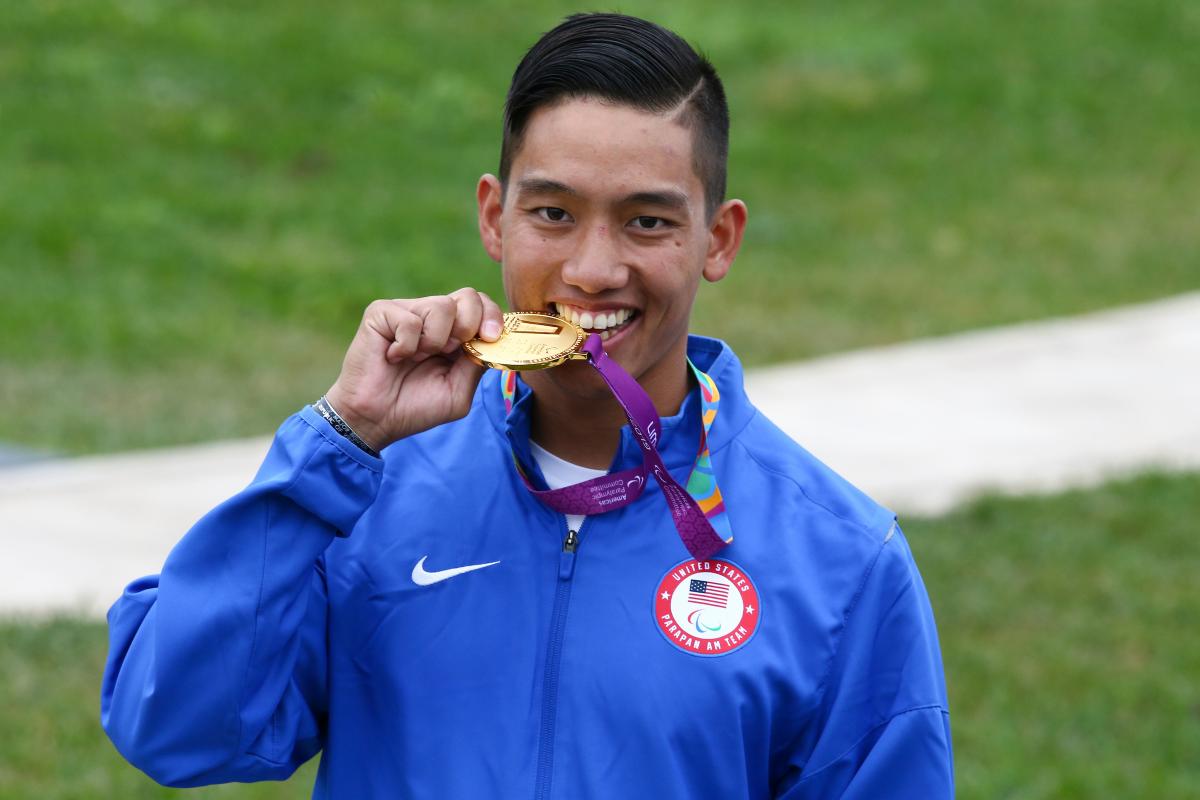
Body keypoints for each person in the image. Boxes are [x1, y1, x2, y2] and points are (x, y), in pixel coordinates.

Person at [101, 12, 953, 798]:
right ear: (494, 217)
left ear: (717, 240)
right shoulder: (369, 493)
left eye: (647, 223)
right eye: (553, 212)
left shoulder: (840, 560)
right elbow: (173, 727)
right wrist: (340, 439)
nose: (592, 269)